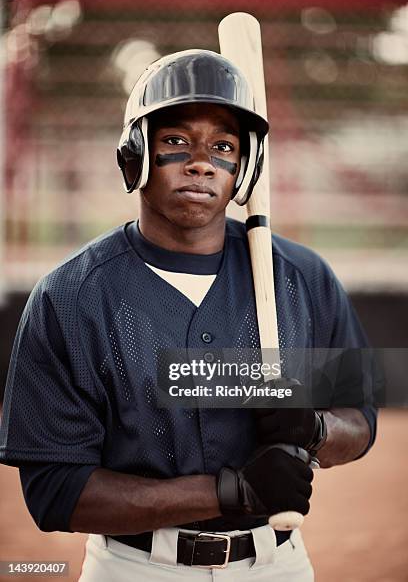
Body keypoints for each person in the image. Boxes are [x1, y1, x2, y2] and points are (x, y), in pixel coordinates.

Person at [0, 50, 376, 581]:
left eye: (223, 146)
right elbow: (54, 491)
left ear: (243, 168)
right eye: (176, 141)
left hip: (277, 565)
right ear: (136, 155)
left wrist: (315, 427)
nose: (201, 162)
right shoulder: (70, 298)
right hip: (135, 567)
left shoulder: (303, 277)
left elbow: (360, 420)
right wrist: (229, 492)